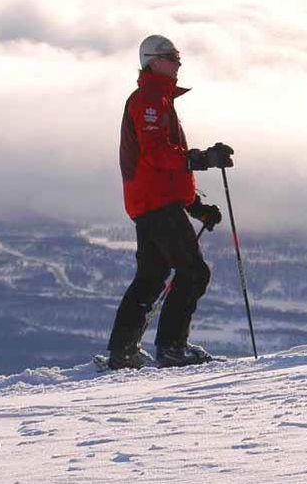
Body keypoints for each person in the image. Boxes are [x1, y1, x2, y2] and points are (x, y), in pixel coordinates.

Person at [106, 34, 234, 369]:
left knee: (153, 274)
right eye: (171, 57)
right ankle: (172, 348)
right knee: (193, 272)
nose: (178, 63)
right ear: (152, 60)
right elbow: (158, 155)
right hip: (156, 203)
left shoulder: (159, 100)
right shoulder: (149, 99)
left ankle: (122, 352)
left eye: (178, 57)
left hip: (150, 202)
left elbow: (164, 168)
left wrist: (195, 206)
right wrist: (204, 158)